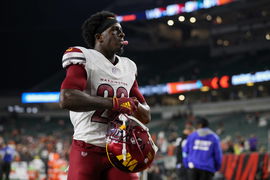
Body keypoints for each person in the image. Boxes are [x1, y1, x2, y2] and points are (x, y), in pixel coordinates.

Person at [59, 11, 151, 180]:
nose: (122, 34)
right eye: (115, 30)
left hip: (120, 150)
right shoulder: (84, 57)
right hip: (87, 146)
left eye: (122, 30)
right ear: (99, 37)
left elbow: (146, 115)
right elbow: (67, 98)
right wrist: (114, 103)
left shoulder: (128, 67)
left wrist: (134, 106)